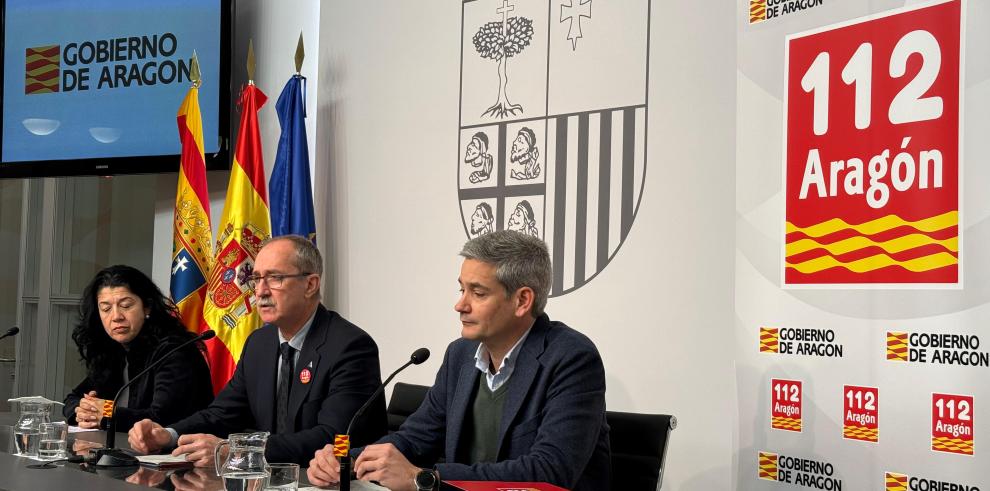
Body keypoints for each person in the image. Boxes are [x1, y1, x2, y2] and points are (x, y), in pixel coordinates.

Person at [308, 231, 611, 491]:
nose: (460, 305)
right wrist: (343, 458)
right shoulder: (461, 355)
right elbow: (416, 438)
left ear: (522, 300)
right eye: (462, 289)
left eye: (477, 293)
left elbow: (549, 473)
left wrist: (422, 478)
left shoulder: (571, 358)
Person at [128, 235, 388, 466]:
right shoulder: (259, 344)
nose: (260, 291)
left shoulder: (350, 346)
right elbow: (222, 414)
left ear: (310, 285)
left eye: (275, 278)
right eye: (256, 279)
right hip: (272, 479)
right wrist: (168, 434)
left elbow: (334, 437)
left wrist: (237, 451)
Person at [64, 265, 213, 432]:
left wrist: (105, 412)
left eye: (126, 306)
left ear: (147, 307)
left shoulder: (174, 351)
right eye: (106, 309)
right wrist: (82, 411)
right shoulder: (114, 350)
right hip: (122, 450)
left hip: (172, 454)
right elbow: (72, 399)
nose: (116, 317)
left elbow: (162, 418)